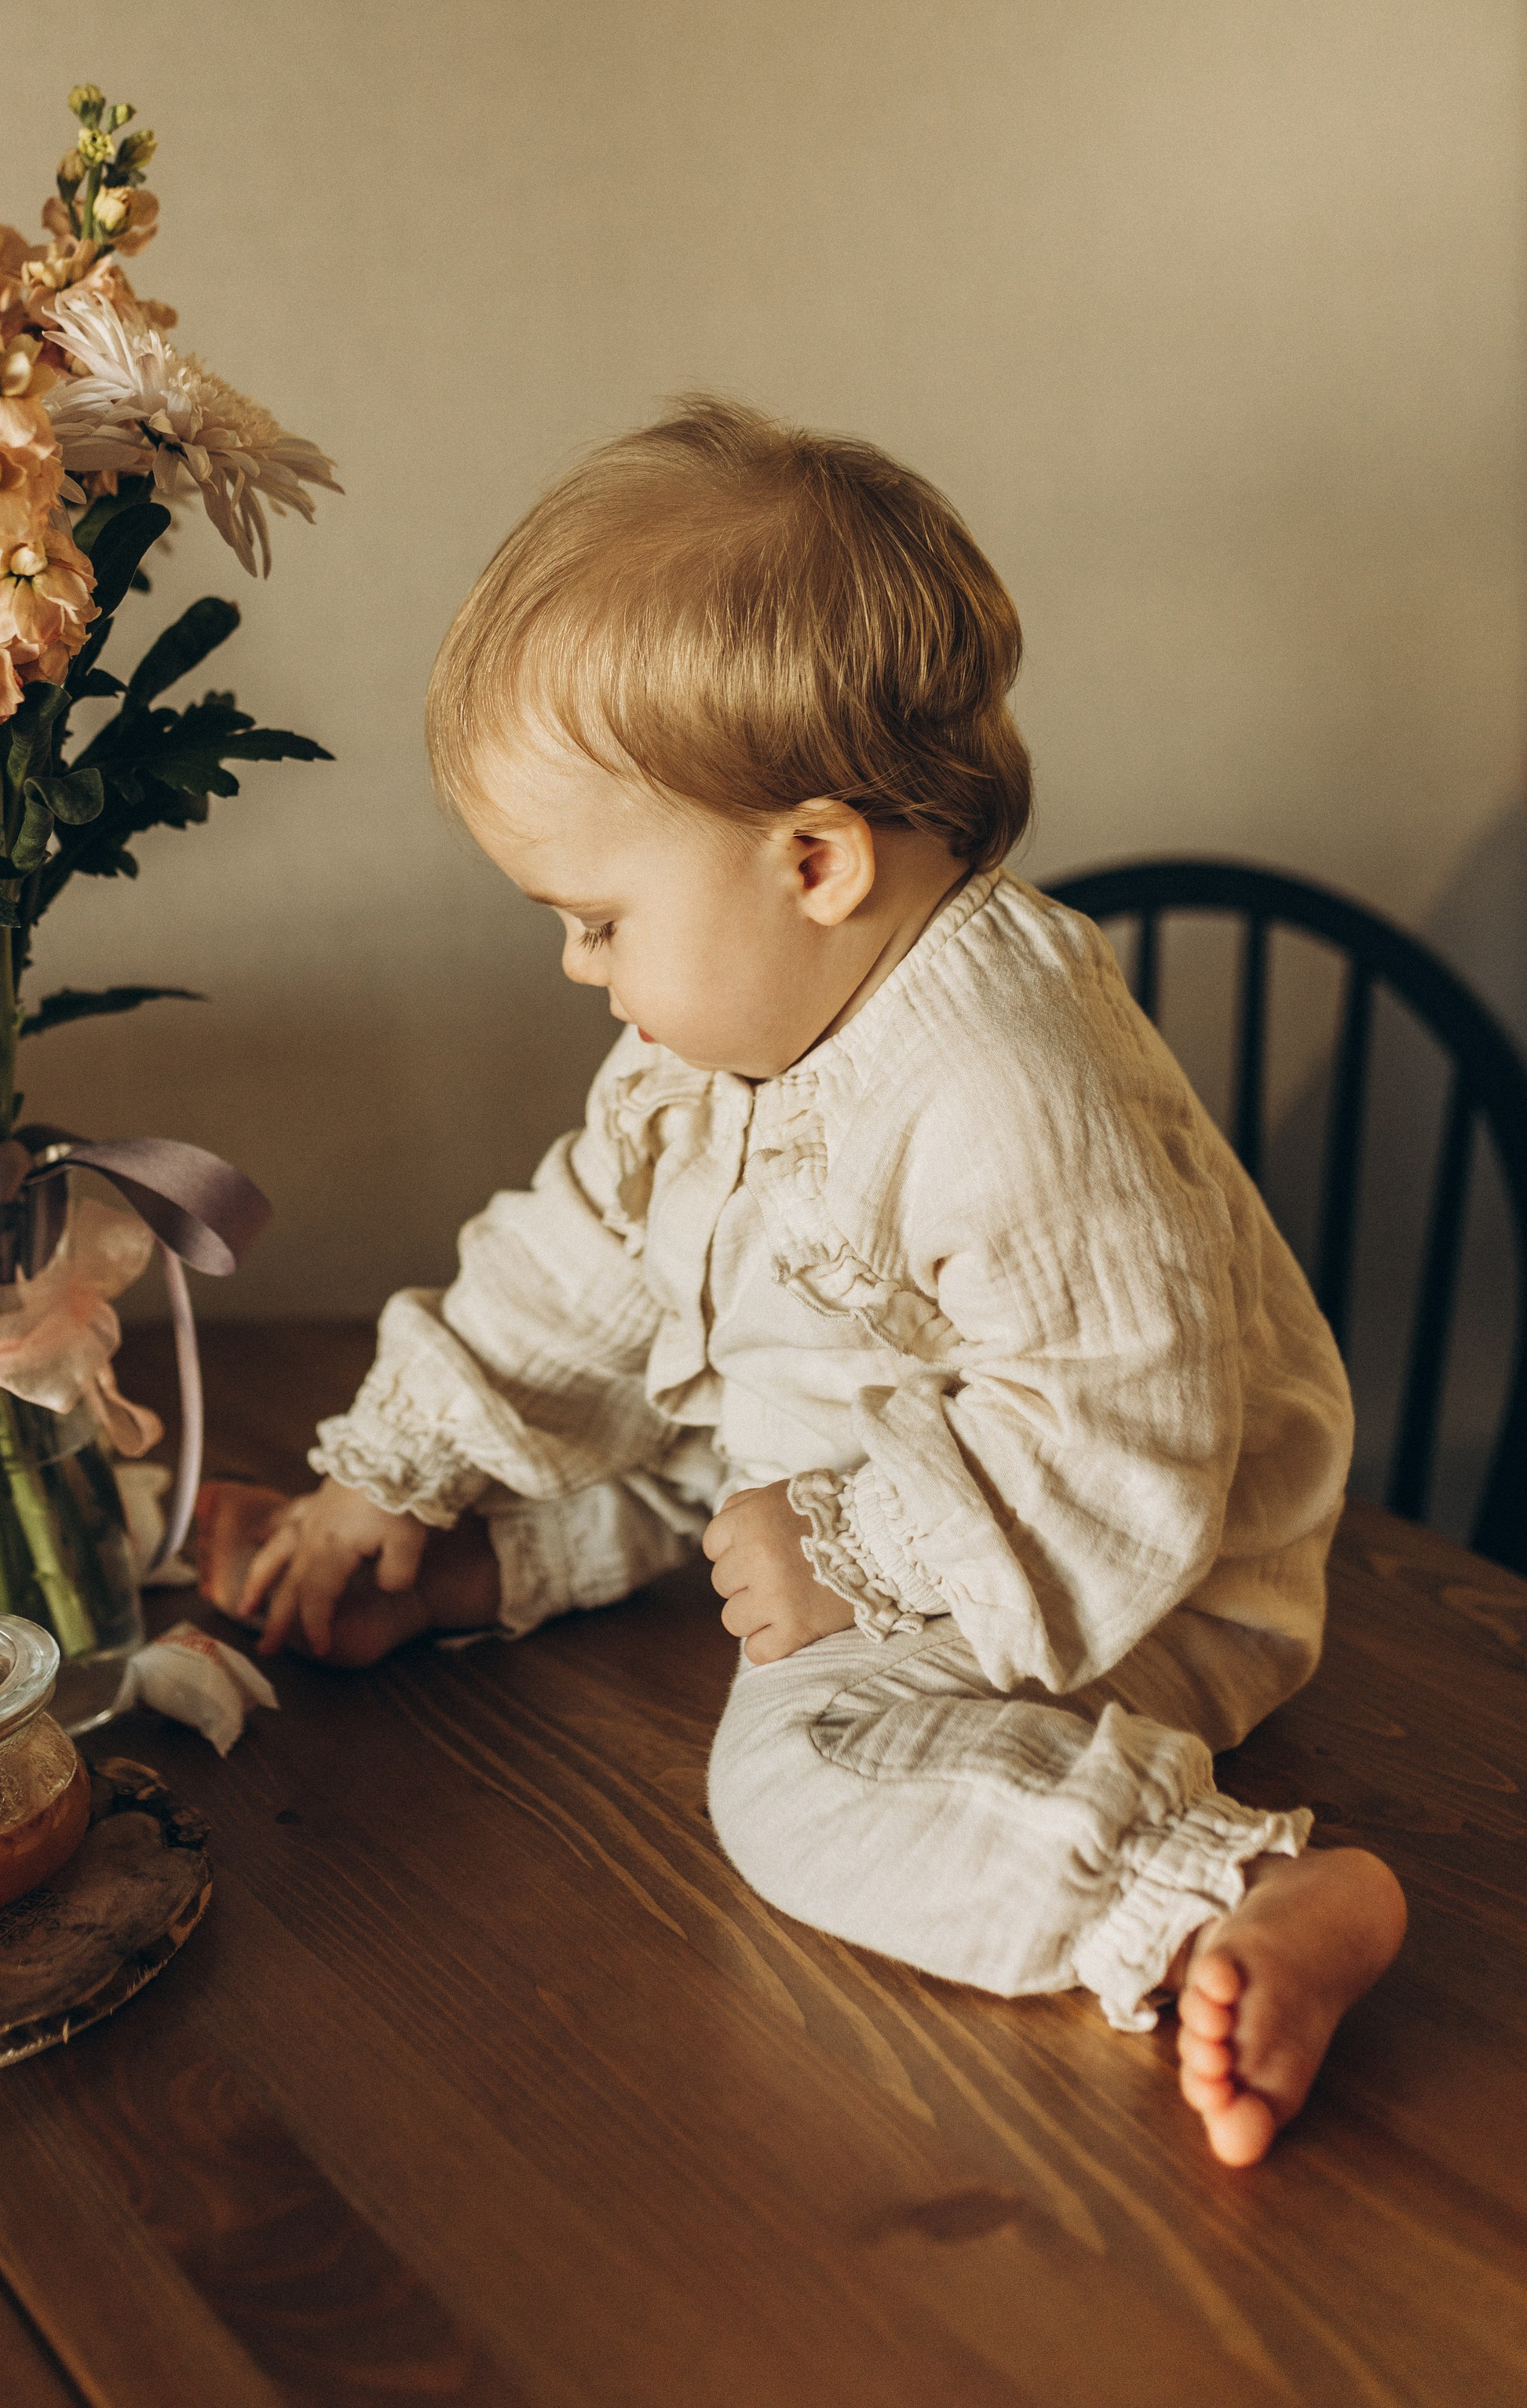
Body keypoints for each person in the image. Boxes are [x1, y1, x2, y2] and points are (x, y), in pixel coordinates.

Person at [196, 396, 1405, 2167]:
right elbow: (587, 1254)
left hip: (1114, 1577)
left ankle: (1208, 1891)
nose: (568, 963)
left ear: (814, 862)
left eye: (596, 918)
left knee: (791, 1779)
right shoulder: (741, 1028)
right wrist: (394, 1470)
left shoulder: (1006, 1080)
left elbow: (1123, 1441)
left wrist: (836, 1558)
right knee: (700, 1427)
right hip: (877, 1455)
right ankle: (478, 1567)